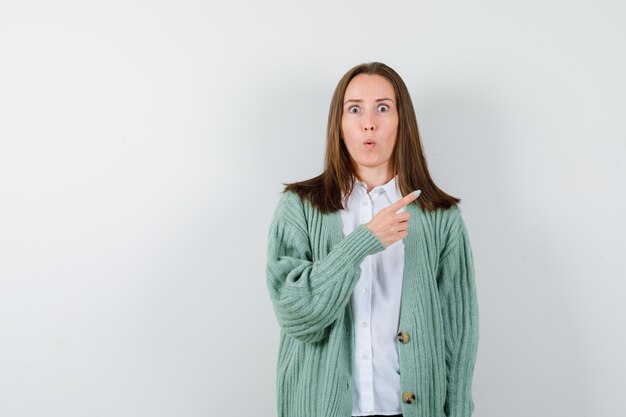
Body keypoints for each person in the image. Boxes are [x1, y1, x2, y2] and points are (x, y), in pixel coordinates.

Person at [265, 61, 479, 417]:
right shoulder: (298, 207)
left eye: (383, 107)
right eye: (354, 109)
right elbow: (295, 314)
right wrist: (362, 242)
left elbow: (457, 336)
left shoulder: (441, 216)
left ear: (401, 121)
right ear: (340, 123)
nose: (369, 123)